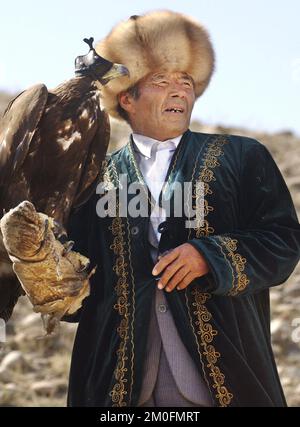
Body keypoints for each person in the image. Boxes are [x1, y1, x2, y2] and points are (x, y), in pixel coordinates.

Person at [64, 10, 300, 407]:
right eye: (162, 81)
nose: (179, 92)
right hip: (114, 381)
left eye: (186, 82)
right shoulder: (93, 179)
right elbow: (79, 282)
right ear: (127, 97)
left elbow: (283, 242)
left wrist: (210, 256)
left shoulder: (241, 158)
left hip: (221, 375)